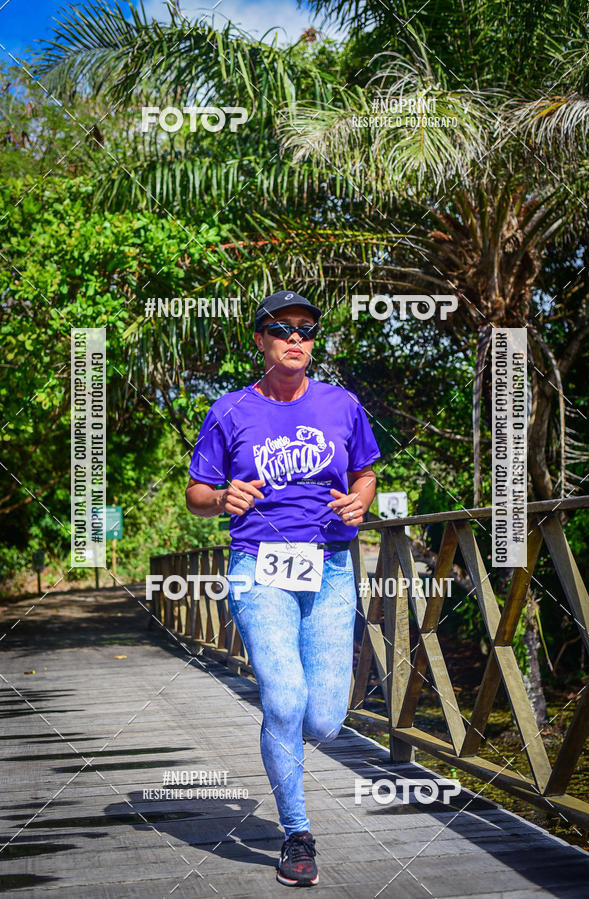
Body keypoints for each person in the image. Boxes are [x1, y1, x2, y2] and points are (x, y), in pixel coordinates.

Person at [185, 289, 380, 887]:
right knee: (284, 698)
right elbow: (196, 494)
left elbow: (366, 471)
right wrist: (222, 499)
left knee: (323, 721)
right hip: (257, 567)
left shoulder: (342, 404)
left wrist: (360, 500)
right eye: (282, 328)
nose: (296, 338)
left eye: (307, 329)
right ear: (260, 341)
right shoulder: (230, 410)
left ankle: (288, 747)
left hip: (330, 567)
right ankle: (297, 834)